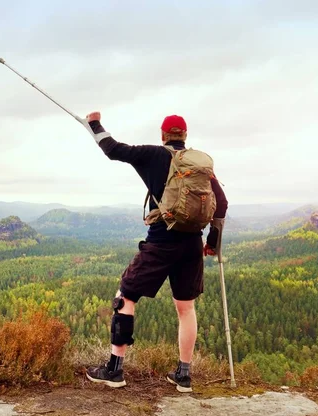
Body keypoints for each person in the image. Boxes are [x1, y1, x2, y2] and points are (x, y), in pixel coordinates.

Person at [85, 112, 228, 392]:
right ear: (184, 136)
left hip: (162, 242)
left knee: (125, 297)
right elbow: (220, 203)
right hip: (192, 245)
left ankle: (114, 370)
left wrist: (94, 124)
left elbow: (112, 149)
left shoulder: (153, 155)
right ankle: (183, 375)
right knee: (186, 309)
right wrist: (212, 241)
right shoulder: (199, 165)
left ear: (163, 136)